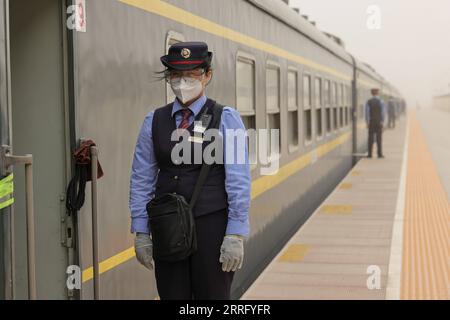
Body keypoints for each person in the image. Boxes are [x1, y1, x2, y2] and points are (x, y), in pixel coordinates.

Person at [129, 41, 251, 300]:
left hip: (212, 228)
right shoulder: (154, 120)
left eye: (192, 74)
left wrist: (235, 233)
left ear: (207, 76)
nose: (183, 82)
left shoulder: (226, 118)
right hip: (167, 227)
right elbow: (142, 179)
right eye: (176, 75)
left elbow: (238, 179)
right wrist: (141, 230)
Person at [365, 88, 386, 158]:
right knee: (379, 138)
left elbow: (367, 113)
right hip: (379, 122)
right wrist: (382, 121)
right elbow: (383, 112)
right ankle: (379, 154)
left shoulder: (368, 102)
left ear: (371, 93)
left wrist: (367, 122)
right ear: (377, 93)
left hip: (371, 122)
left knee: (370, 138)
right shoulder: (381, 101)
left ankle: (370, 154)